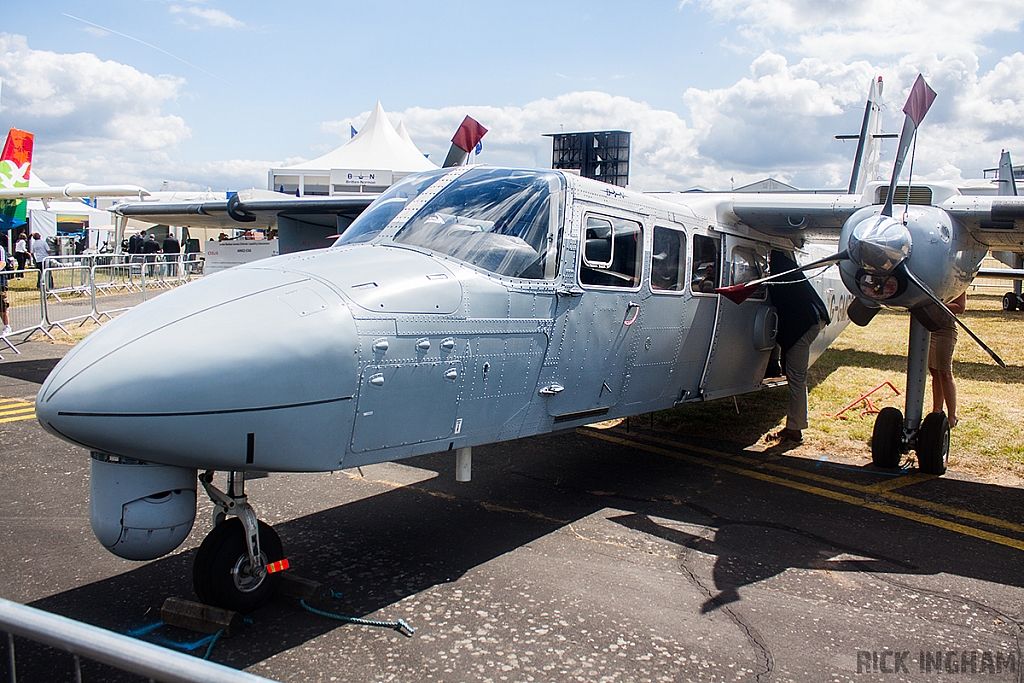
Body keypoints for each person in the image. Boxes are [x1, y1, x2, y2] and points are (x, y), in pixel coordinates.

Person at [766, 249, 831, 444]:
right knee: (797, 376)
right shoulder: (787, 270)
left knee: (796, 378)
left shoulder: (778, 277)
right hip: (813, 319)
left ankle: (794, 428)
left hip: (804, 325)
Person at [928, 291, 966, 428]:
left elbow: (960, 307)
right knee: (934, 372)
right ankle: (937, 411)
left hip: (945, 330)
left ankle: (952, 417)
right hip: (929, 327)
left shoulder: (957, 282)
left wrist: (936, 305)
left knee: (944, 372)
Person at [0, 241, 11, 336]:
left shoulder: (0, 248)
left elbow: (2, 263)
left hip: (0, 282)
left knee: (2, 306)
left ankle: (7, 326)